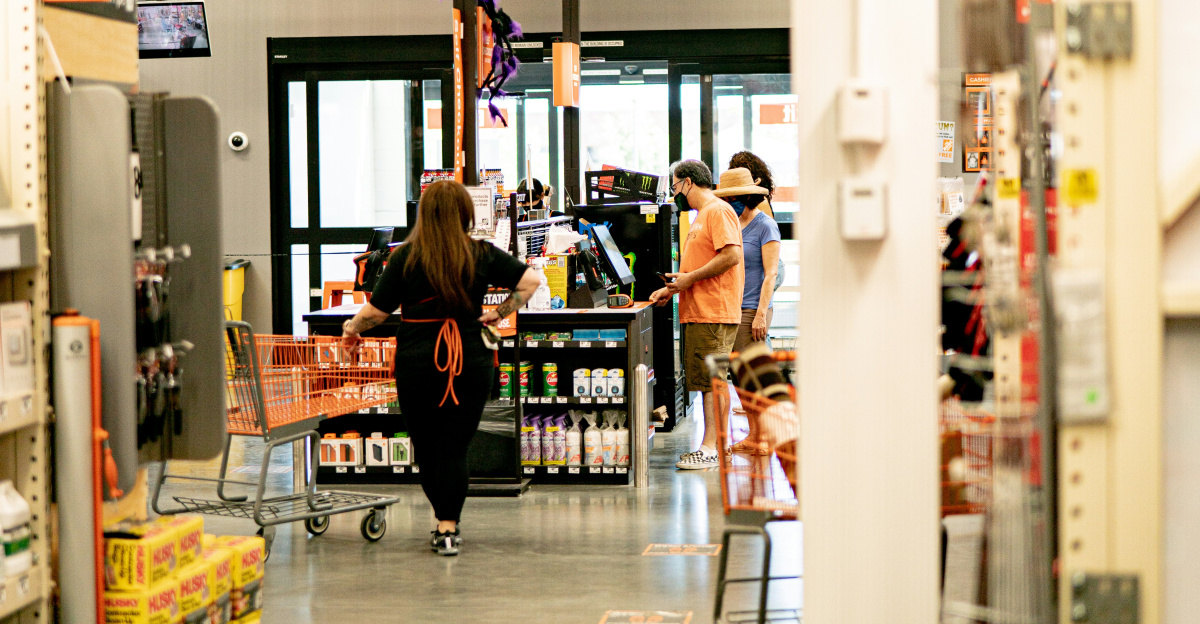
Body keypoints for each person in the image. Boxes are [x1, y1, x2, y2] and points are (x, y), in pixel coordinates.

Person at [340, 180, 540, 556]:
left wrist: (351, 329)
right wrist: (498, 313)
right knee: (454, 447)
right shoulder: (480, 253)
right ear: (465, 213)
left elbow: (377, 312)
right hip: (469, 358)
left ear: (424, 214)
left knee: (428, 447)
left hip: (417, 359)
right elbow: (530, 281)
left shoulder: (405, 257)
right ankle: (448, 527)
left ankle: (443, 518)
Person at [649, 160, 744, 470]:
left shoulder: (716, 211)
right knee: (707, 381)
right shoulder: (703, 216)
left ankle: (711, 447)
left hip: (713, 311)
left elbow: (731, 255)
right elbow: (698, 270)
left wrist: (688, 280)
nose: (678, 194)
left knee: (713, 382)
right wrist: (674, 287)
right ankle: (717, 445)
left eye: (677, 187)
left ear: (688, 182)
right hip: (700, 310)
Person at [713, 167, 781, 455]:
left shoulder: (766, 226)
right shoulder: (733, 223)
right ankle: (755, 435)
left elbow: (771, 273)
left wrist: (761, 314)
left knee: (751, 378)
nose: (731, 203)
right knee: (741, 379)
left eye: (735, 198)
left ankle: (763, 437)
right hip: (731, 308)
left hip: (752, 310)